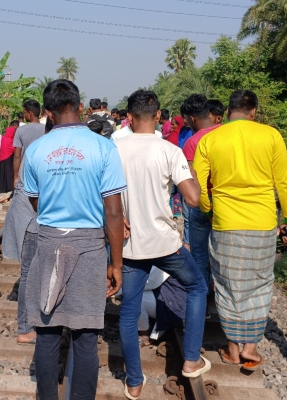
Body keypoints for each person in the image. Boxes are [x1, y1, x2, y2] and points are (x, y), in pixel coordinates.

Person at [23, 79, 126, 400]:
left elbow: (35, 202)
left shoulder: (36, 150)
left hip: (50, 244)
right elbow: (113, 213)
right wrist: (117, 263)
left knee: (47, 332)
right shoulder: (103, 147)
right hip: (91, 249)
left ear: (49, 114)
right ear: (81, 107)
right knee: (85, 336)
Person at [116, 90, 209, 399]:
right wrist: (191, 173)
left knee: (128, 313)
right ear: (158, 116)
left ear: (128, 117)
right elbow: (193, 198)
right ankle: (192, 360)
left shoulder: (114, 147)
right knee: (197, 287)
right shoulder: (169, 150)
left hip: (129, 245)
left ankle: (133, 381)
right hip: (165, 243)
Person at [194, 90, 287, 371]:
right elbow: (284, 182)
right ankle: (251, 347)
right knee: (260, 283)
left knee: (228, 285)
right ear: (253, 112)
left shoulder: (211, 139)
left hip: (226, 222)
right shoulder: (271, 136)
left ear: (227, 112)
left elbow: (199, 183)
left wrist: (207, 208)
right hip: (262, 223)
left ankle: (232, 350)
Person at [2, 99, 46, 345]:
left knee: (28, 269)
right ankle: (30, 325)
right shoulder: (47, 132)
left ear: (28, 113)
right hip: (39, 207)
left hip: (29, 201)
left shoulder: (22, 130)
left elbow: (17, 156)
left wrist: (16, 177)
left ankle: (26, 326)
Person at [180, 94, 221, 289]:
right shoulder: (226, 134)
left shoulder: (192, 142)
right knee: (220, 250)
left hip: (200, 202)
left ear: (192, 118)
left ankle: (202, 297)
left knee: (198, 252)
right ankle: (220, 295)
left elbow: (191, 176)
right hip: (224, 200)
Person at [0, 121, 19, 193]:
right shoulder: (10, 140)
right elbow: (13, 149)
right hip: (8, 158)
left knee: (3, 174)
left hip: (2, 158)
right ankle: (10, 187)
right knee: (9, 173)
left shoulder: (3, 138)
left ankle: (2, 188)